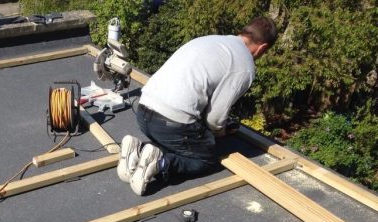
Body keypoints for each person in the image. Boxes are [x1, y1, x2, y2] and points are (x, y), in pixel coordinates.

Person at [118, 17, 278, 195]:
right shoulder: (244, 66)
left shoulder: (211, 40)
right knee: (205, 160)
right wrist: (220, 132)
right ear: (262, 47)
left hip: (144, 111)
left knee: (180, 144)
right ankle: (161, 163)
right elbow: (215, 118)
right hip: (171, 123)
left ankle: (137, 151)